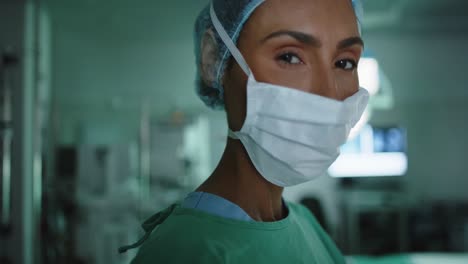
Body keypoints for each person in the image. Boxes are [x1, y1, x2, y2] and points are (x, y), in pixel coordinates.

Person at [121, 0, 369, 263]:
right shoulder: (183, 253)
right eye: (289, 57)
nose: (328, 94)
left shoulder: (305, 223)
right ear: (213, 59)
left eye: (344, 63)